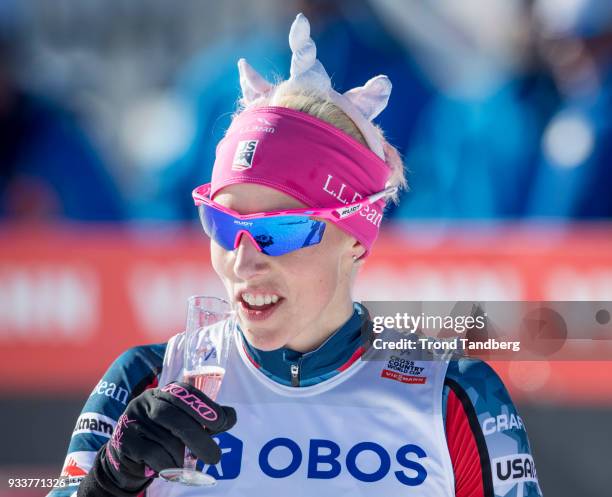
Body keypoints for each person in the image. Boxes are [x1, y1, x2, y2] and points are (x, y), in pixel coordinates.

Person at [47, 14, 543, 497]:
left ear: (355, 236)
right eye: (222, 223)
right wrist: (107, 483)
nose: (243, 262)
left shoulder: (453, 395)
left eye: (280, 231)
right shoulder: (147, 381)